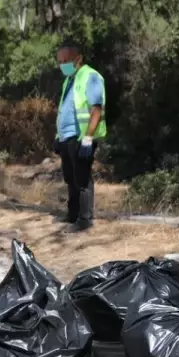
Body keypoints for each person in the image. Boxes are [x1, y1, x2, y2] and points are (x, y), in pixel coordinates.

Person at [54, 42, 106, 232]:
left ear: (78, 59)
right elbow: (63, 111)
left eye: (65, 61)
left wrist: (88, 138)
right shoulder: (69, 81)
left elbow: (96, 110)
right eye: (59, 61)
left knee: (82, 179)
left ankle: (85, 220)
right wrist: (58, 136)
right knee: (70, 178)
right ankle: (72, 215)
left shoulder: (90, 77)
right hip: (66, 137)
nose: (62, 65)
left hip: (81, 137)